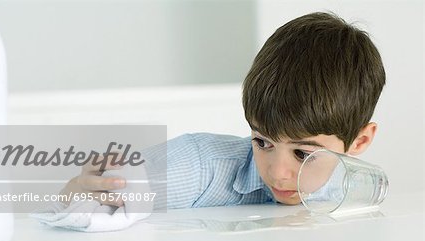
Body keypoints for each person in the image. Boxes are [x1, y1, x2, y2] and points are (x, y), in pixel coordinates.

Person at [60, 11, 385, 209]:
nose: (276, 172)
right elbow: (110, 192)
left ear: (359, 142)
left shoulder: (355, 188)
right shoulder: (204, 166)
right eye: (262, 142)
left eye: (302, 154)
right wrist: (79, 193)